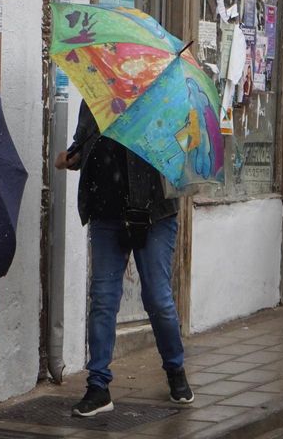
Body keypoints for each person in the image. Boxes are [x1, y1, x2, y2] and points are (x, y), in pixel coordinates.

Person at [55, 102, 193, 417]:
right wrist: (74, 157)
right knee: (103, 297)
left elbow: (179, 151)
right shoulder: (95, 95)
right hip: (106, 211)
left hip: (154, 213)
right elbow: (85, 142)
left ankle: (175, 368)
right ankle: (98, 386)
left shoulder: (162, 95)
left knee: (157, 298)